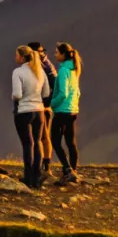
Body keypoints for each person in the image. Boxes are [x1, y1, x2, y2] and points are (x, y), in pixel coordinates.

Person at [11, 45, 48, 189]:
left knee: (27, 144)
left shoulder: (18, 72)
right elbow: (45, 93)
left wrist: (13, 97)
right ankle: (36, 175)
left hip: (23, 111)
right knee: (38, 142)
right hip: (39, 111)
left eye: (16, 55)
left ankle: (27, 177)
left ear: (21, 56)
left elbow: (17, 94)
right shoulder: (40, 71)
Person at [51, 42, 82, 184]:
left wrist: (52, 104)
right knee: (71, 142)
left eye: (57, 52)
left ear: (63, 55)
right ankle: (73, 171)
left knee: (55, 141)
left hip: (62, 110)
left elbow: (63, 93)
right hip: (73, 110)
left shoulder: (63, 71)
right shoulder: (74, 69)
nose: (55, 55)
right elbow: (77, 91)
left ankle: (68, 169)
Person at [28, 41, 58, 175]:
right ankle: (42, 164)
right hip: (38, 105)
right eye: (41, 51)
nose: (43, 54)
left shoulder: (45, 66)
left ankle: (44, 165)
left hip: (42, 106)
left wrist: (47, 104)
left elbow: (54, 86)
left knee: (43, 136)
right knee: (39, 137)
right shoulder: (44, 65)